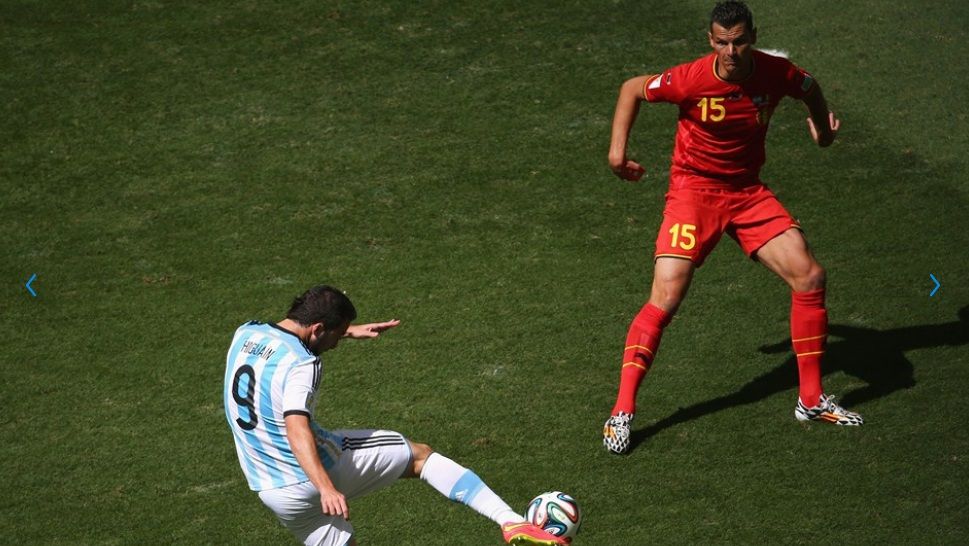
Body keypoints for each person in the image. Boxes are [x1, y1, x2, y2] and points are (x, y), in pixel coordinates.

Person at [602, 0, 863, 455]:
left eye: (739, 41)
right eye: (722, 43)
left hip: (747, 193)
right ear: (711, 40)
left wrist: (823, 132)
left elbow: (810, 88)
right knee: (666, 295)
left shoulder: (776, 73)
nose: (730, 52)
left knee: (809, 276)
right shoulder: (689, 78)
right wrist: (616, 154)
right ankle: (621, 411)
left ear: (753, 37)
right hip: (694, 192)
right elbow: (631, 89)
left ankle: (810, 400)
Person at [224, 284, 567, 545]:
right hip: (311, 475)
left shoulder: (246, 332)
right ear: (317, 329)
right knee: (419, 457)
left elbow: (292, 339)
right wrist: (326, 488)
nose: (338, 343)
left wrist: (347, 329)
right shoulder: (304, 364)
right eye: (336, 335)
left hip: (271, 490)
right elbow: (296, 427)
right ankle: (510, 520)